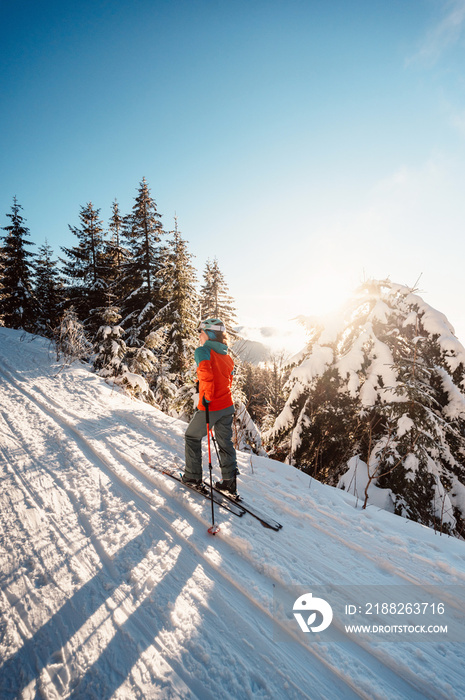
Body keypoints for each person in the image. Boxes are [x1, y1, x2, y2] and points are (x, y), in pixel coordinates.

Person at [182, 318, 238, 494]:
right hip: (227, 405)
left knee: (191, 436)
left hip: (211, 405)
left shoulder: (203, 351)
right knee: (225, 443)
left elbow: (206, 375)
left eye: (201, 331)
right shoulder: (227, 355)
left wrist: (206, 397)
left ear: (209, 334)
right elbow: (228, 380)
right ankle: (229, 481)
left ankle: (193, 476)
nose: (199, 335)